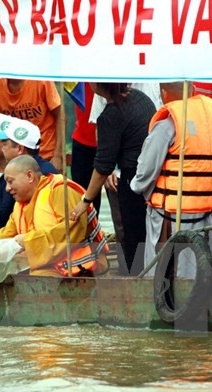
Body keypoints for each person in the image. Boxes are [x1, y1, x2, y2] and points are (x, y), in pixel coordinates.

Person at [0, 155, 108, 277]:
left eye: (10, 181)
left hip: (79, 261)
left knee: (34, 276)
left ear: (30, 176)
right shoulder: (21, 204)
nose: (7, 188)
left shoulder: (60, 190)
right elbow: (4, 236)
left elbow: (70, 232)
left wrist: (27, 241)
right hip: (47, 260)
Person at [131, 81, 212, 278]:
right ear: (193, 90)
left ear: (163, 93)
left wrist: (136, 187)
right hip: (205, 214)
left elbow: (145, 172)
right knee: (201, 273)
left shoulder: (167, 125)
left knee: (166, 276)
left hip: (173, 216)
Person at [70, 83, 157, 275]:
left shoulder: (111, 115)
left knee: (132, 236)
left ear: (98, 86)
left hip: (132, 178)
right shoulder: (140, 99)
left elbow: (103, 166)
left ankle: (136, 280)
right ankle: (147, 275)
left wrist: (85, 200)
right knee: (147, 233)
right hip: (153, 175)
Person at [0, 78, 63, 171]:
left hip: (46, 155)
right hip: (15, 159)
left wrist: (57, 156)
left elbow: (61, 116)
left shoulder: (42, 81)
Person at [70, 82, 101, 213]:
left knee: (119, 203)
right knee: (81, 198)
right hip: (83, 141)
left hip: (112, 141)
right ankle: (88, 233)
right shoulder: (80, 70)